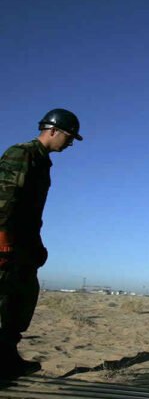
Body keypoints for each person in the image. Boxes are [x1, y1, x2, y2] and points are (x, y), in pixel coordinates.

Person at [0, 109, 82, 378]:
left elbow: (31, 212)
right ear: (52, 130)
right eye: (69, 137)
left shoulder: (42, 161)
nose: (69, 143)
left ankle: (7, 359)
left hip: (23, 245)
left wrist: (36, 245)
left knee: (21, 301)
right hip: (6, 241)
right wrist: (1, 236)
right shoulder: (21, 153)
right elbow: (4, 195)